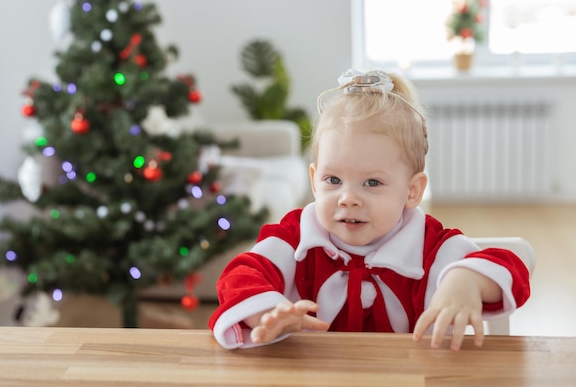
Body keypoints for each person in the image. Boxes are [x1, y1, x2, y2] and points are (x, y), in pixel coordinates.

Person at [208, 69, 531, 351]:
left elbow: (512, 267)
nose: (348, 198)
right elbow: (239, 275)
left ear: (412, 191)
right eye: (333, 179)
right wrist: (267, 313)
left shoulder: (430, 245)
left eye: (372, 183)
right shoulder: (294, 238)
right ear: (314, 180)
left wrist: (466, 282)